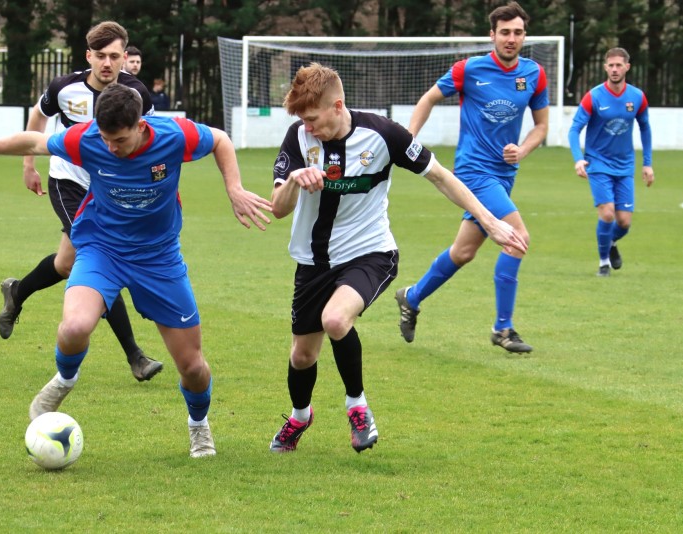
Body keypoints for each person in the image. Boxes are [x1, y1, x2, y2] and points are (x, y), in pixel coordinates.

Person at [0, 83, 273, 458]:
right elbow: (33, 142)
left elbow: (220, 139)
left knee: (192, 366)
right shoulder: (87, 138)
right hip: (101, 249)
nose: (110, 147)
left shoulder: (174, 136)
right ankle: (63, 381)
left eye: (119, 140)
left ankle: (198, 426)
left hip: (159, 258)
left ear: (141, 125)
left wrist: (234, 188)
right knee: (75, 326)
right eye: (105, 139)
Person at [268, 63, 527, 454]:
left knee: (336, 319)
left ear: (337, 105)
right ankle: (300, 416)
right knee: (302, 356)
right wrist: (294, 180)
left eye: (313, 118)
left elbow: (441, 176)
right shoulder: (299, 139)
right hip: (312, 261)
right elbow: (278, 209)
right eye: (302, 121)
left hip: (370, 253)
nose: (308, 127)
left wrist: (490, 223)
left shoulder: (384, 134)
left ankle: (357, 407)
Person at [7, 21, 162, 383]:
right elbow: (38, 117)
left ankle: (18, 290)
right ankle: (136, 356)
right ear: (88, 56)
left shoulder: (137, 93)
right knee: (100, 252)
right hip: (68, 181)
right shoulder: (64, 87)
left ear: (125, 57)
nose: (107, 64)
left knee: (65, 264)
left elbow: (153, 139)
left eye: (115, 56)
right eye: (101, 56)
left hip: (109, 187)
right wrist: (29, 164)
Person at [394, 1, 548, 354]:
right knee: (517, 237)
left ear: (524, 36)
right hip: (473, 172)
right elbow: (429, 98)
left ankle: (411, 297)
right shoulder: (469, 69)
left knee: (463, 253)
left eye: (518, 33)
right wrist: (409, 138)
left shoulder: (534, 75)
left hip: (505, 175)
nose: (511, 39)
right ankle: (503, 329)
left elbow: (541, 127)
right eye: (505, 32)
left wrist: (523, 150)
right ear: (492, 35)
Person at [568, 47, 654, 277]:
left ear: (627, 67)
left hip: (625, 165)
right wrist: (578, 159)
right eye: (611, 65)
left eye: (619, 65)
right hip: (598, 163)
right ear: (605, 67)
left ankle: (610, 243)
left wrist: (647, 163)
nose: (615, 69)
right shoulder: (594, 96)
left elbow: (645, 127)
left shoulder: (636, 97)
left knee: (624, 222)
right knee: (607, 214)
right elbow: (574, 129)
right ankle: (603, 262)